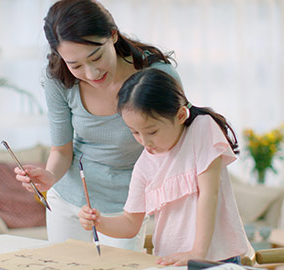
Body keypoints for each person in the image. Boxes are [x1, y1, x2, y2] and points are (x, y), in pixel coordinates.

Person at [14, 0, 181, 252]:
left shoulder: (156, 75)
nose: (91, 73)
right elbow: (61, 150)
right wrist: (49, 177)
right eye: (76, 64)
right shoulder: (59, 79)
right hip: (69, 200)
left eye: (96, 57)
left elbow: (176, 146)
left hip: (126, 208)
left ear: (112, 35)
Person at [78, 68, 252, 266]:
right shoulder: (144, 165)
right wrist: (99, 222)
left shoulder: (202, 128)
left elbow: (208, 194)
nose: (144, 142)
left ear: (180, 116)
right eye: (134, 132)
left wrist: (197, 252)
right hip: (172, 261)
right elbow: (130, 223)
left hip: (216, 258)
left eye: (151, 131)